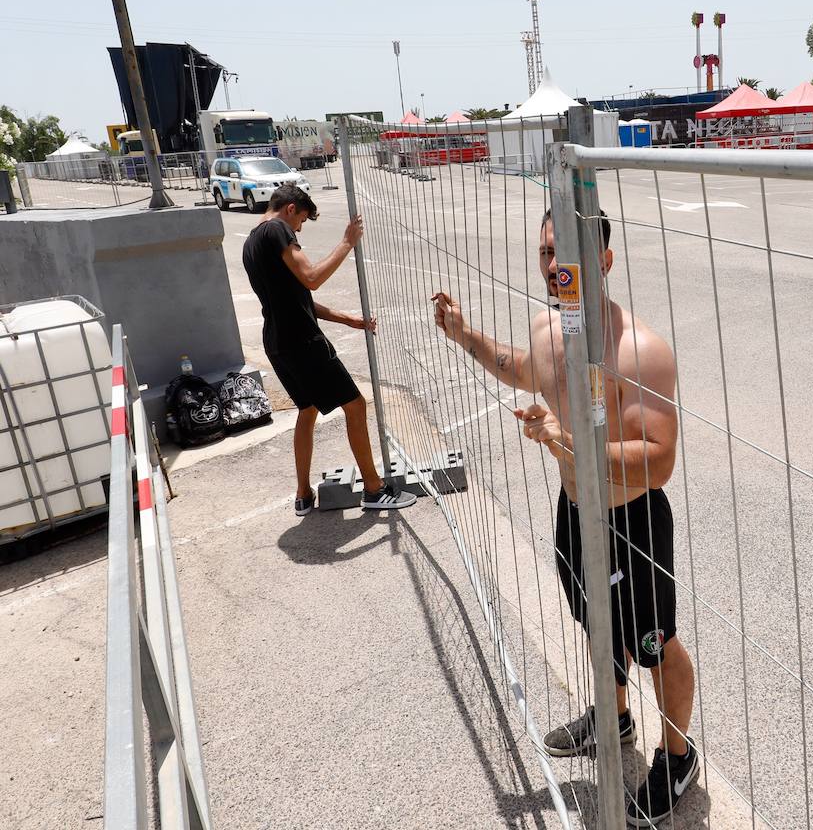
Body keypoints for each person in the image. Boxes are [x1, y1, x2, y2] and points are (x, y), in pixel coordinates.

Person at [431, 211, 699, 825]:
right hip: (574, 512)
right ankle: (615, 717)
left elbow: (659, 462)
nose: (555, 265)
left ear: (604, 261)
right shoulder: (549, 329)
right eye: (547, 251)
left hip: (632, 523)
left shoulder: (641, 351)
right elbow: (523, 370)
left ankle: (678, 756)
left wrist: (569, 442)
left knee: (653, 643)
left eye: (570, 252)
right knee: (595, 620)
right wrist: (465, 335)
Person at [242, 184, 416, 515]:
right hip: (302, 340)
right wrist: (347, 242)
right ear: (290, 209)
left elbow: (297, 299)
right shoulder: (277, 229)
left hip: (277, 342)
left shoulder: (251, 242)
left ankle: (303, 494)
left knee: (307, 410)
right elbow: (311, 278)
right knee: (355, 405)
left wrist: (348, 319)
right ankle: (374, 489)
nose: (298, 231)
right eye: (301, 222)